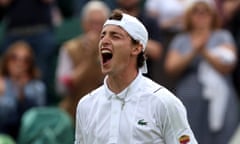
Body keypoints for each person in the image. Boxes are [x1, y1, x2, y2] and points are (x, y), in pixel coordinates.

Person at [75, 9, 197, 144]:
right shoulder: (86, 105)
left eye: (115, 36)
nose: (104, 41)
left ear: (136, 48)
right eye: (102, 36)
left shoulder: (164, 103)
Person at [165, 1, 239, 143]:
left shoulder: (223, 36)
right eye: (196, 11)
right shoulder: (181, 39)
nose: (201, 15)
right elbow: (171, 68)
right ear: (189, 16)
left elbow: (228, 66)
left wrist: (204, 51)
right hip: (188, 100)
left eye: (205, 11)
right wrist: (194, 51)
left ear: (212, 15)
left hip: (221, 101)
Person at [55, 1, 110, 120]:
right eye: (92, 23)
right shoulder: (69, 48)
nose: (96, 28)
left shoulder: (115, 49)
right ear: (83, 24)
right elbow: (61, 88)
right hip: (74, 111)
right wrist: (89, 59)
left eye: (100, 23)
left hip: (105, 111)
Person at [0, 41, 46, 139]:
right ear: (7, 60)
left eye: (26, 60)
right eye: (14, 58)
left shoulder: (37, 87)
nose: (19, 63)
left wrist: (21, 92)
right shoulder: (2, 83)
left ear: (30, 64)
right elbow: (4, 117)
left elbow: (35, 117)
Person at [116, 0, 163, 80]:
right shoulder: (110, 22)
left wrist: (130, 36)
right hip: (115, 79)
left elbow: (156, 52)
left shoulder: (150, 21)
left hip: (144, 79)